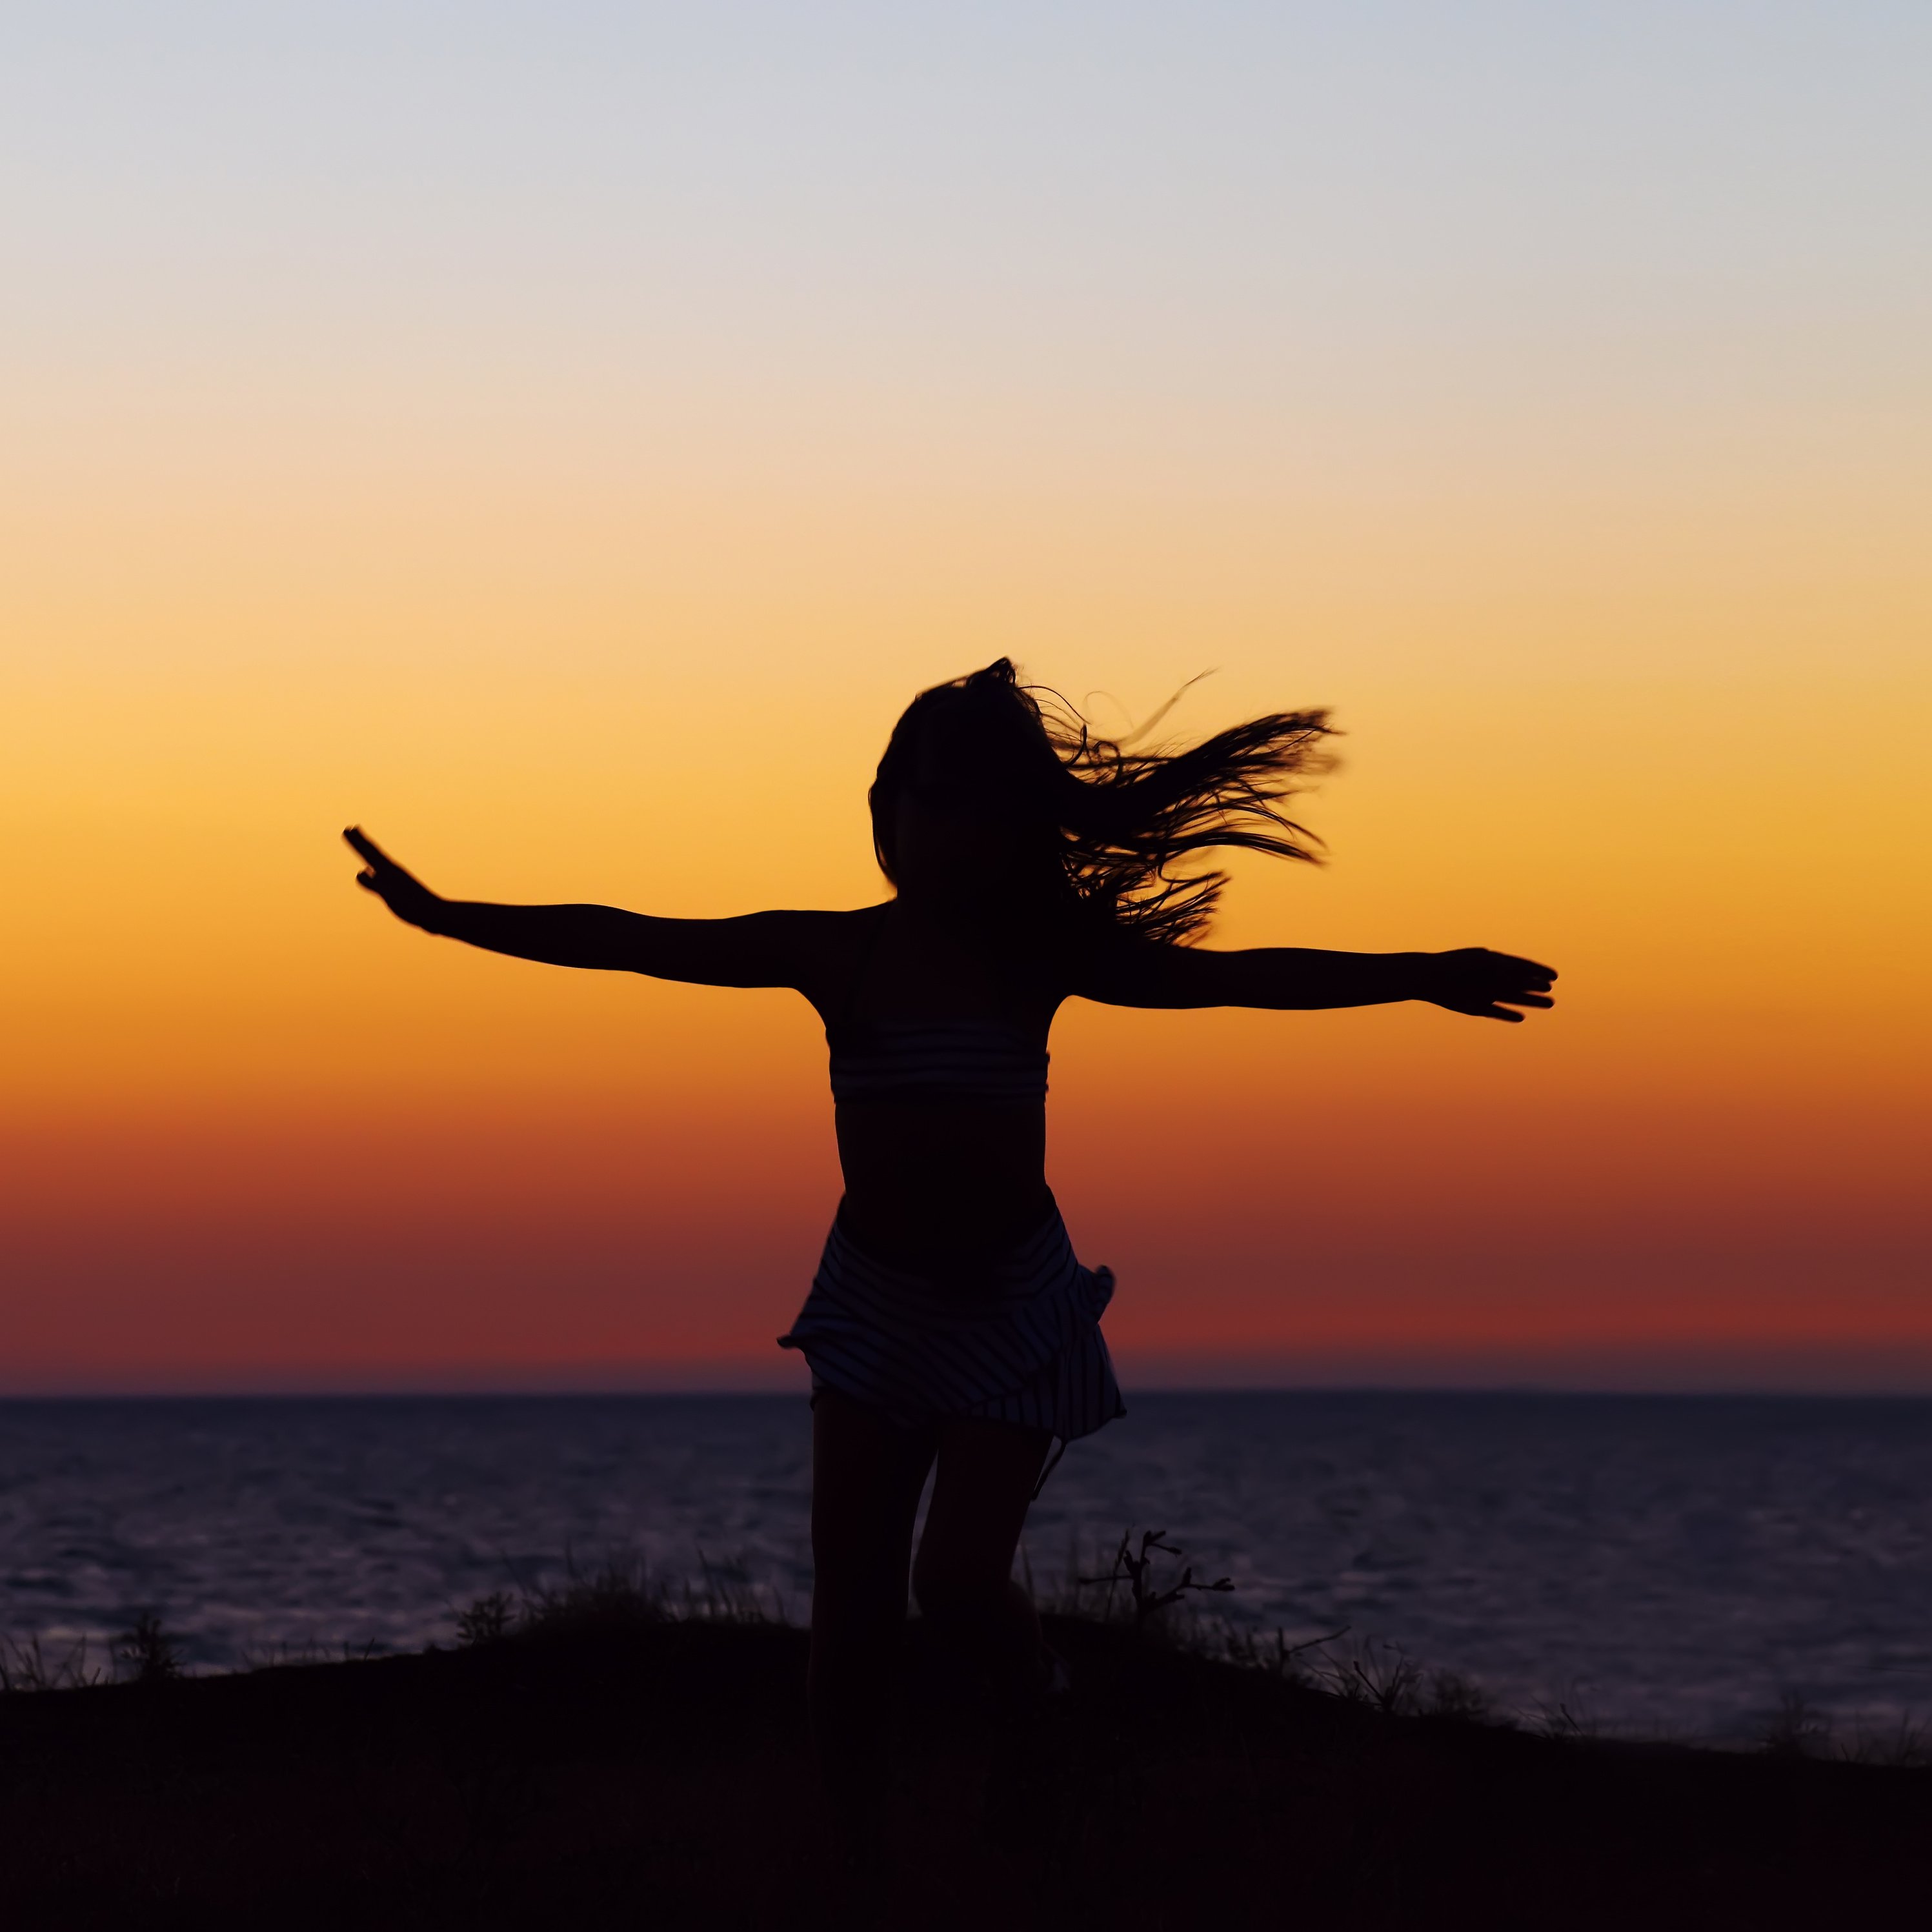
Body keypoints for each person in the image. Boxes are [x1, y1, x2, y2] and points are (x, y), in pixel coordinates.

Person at [343, 658, 1555, 1835]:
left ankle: (1037, 1711)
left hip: (1009, 1305)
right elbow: (637, 936)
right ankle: (852, 1846)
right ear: (883, 815)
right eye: (908, 798)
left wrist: (1416, 972)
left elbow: (1236, 980)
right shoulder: (837, 952)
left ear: (1001, 825)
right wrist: (448, 916)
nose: (924, 826)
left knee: (959, 1583)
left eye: (957, 804)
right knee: (852, 1606)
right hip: (874, 1303)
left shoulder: (1034, 959)